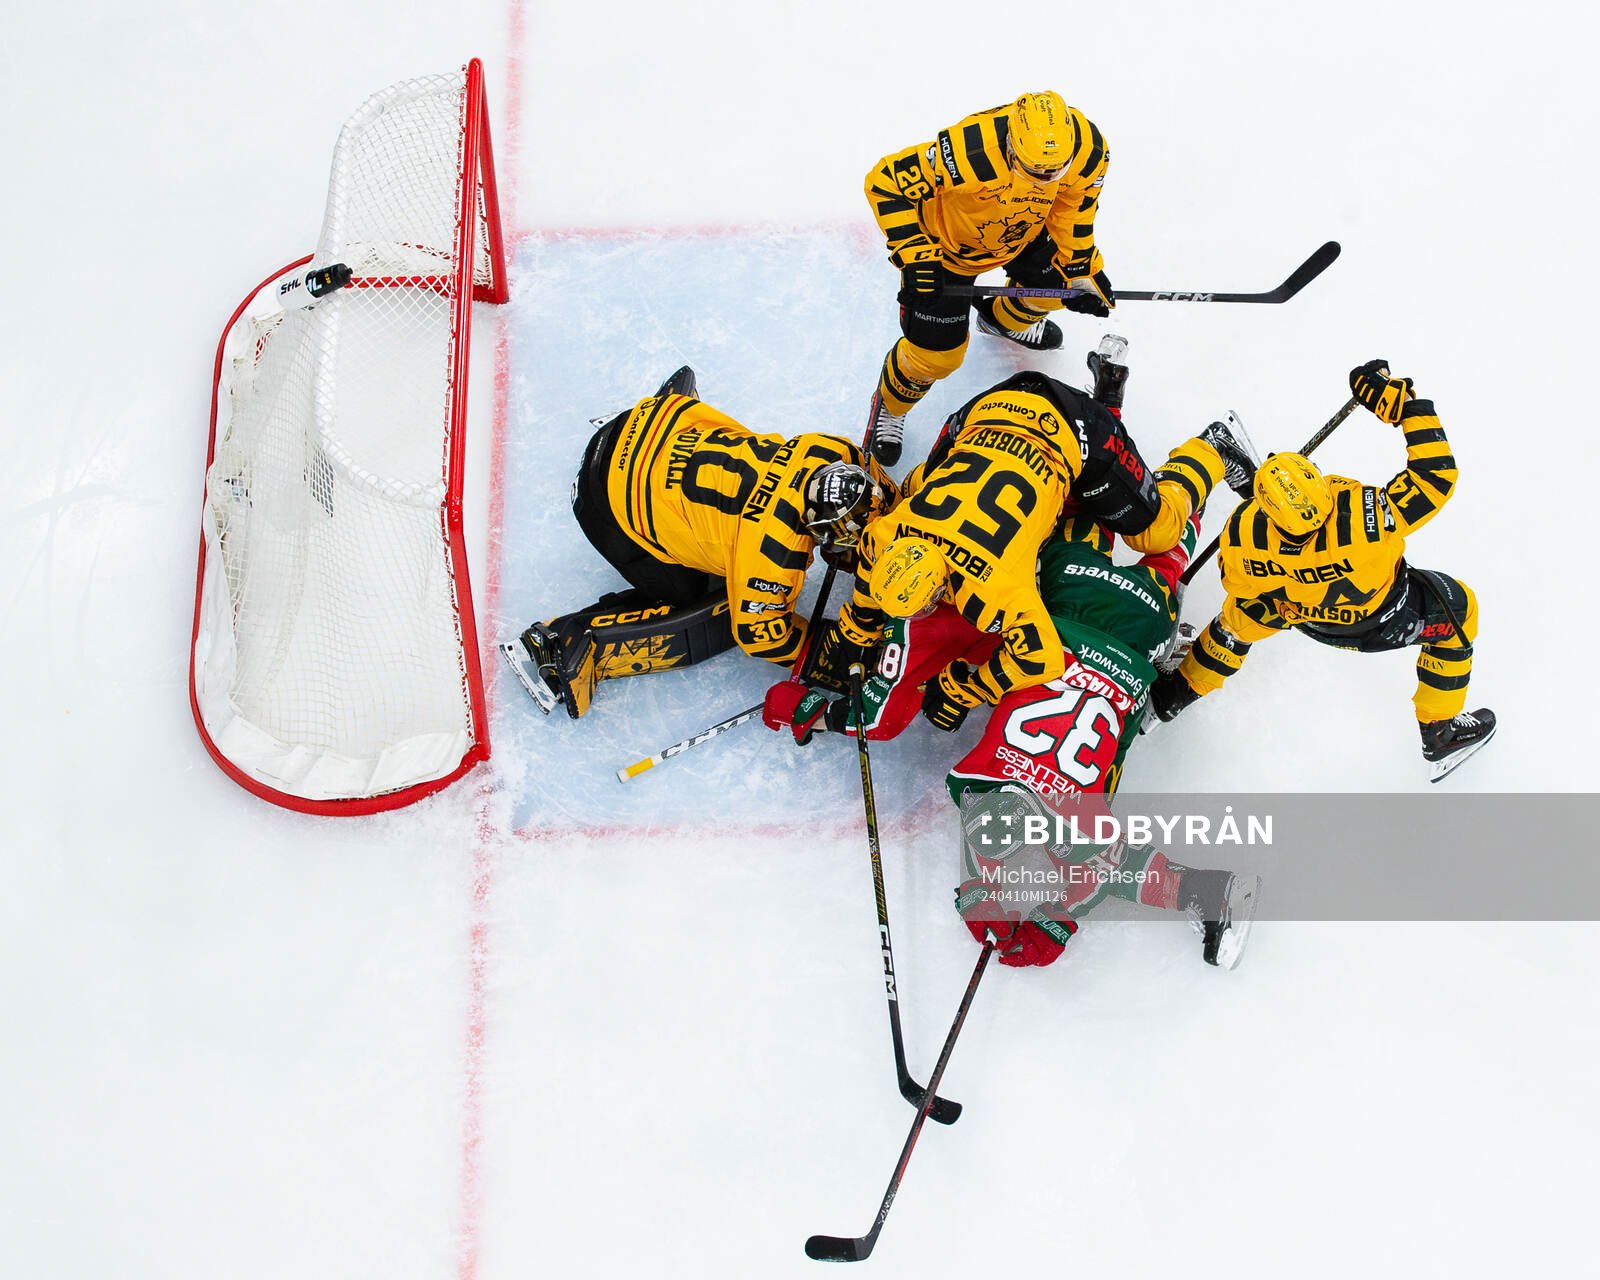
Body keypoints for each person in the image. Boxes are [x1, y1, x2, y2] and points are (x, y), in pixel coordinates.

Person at [770, 511, 1256, 969]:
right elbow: (1003, 828)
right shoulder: (988, 783)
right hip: (1067, 617)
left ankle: (1183, 510)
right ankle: (1172, 503)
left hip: (1128, 639)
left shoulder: (1065, 817)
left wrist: (1051, 916)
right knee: (1124, 540)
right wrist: (986, 893)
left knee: (1159, 568)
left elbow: (1106, 866)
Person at [766, 340, 1249, 736]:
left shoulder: (990, 586)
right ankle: (1108, 391)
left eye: (927, 602)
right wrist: (857, 631)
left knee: (1155, 530)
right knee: (927, 485)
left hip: (1069, 427)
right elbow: (873, 578)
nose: (924, 613)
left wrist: (963, 687)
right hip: (983, 413)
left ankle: (1213, 445)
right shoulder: (886, 534)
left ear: (940, 586)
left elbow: (1039, 659)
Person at [1147, 359, 1495, 781]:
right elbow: (1435, 474)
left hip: (1304, 615)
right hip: (1383, 615)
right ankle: (1439, 732)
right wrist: (1402, 407)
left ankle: (1173, 693)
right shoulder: (1364, 517)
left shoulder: (1243, 532)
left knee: (1239, 620)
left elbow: (1234, 581)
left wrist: (1283, 579)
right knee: (1460, 611)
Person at [514, 367, 894, 718]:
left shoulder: (832, 451)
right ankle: (570, 640)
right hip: (605, 500)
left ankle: (665, 410)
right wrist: (827, 655)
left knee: (721, 445)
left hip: (644, 425)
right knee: (711, 600)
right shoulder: (772, 556)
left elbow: (886, 497)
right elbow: (762, 636)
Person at [862, 91, 1116, 465]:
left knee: (1061, 288)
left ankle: (1002, 320)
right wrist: (916, 258)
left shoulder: (1088, 150)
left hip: (1023, 233)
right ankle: (892, 403)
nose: (1045, 180)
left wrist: (1080, 266)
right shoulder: (967, 151)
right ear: (1012, 147)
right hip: (948, 251)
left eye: (1054, 172)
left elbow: (1074, 204)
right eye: (1034, 171)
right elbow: (885, 182)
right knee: (936, 358)